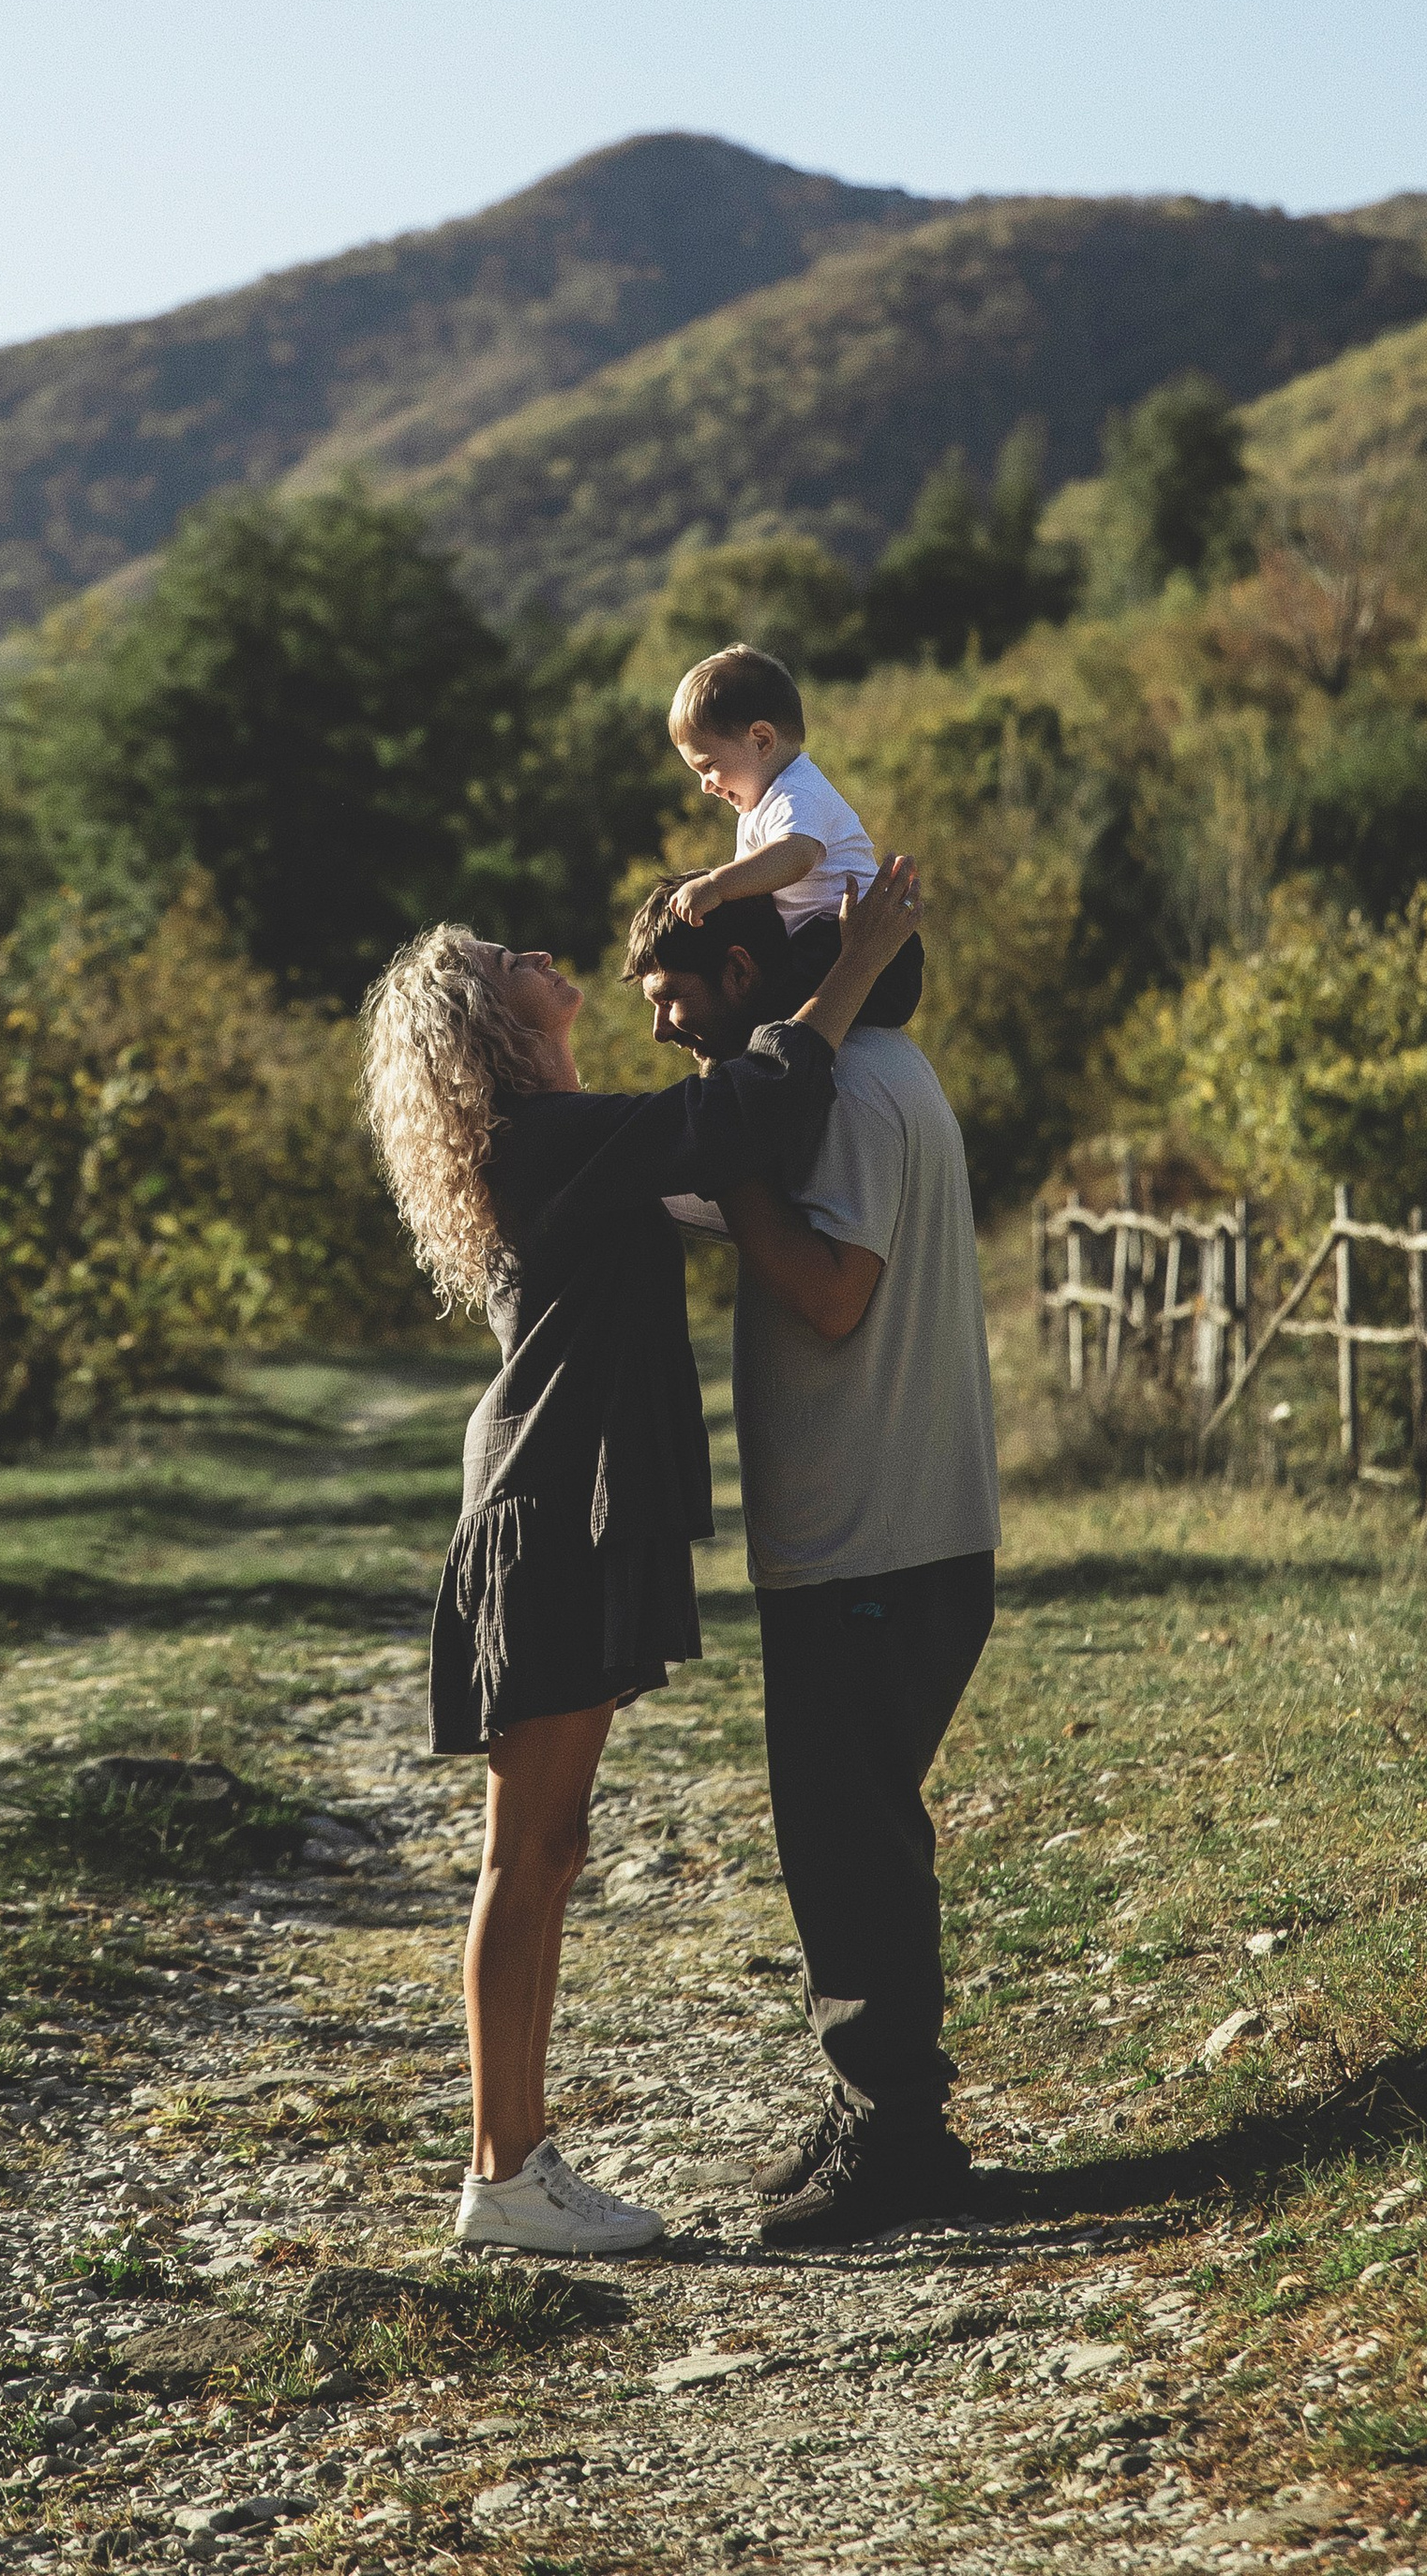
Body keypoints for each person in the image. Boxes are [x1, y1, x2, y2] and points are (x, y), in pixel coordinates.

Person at [357, 859, 924, 2259]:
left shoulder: (557, 1136)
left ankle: (515, 2165)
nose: (541, 954)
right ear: (485, 1025)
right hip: (545, 1511)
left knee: (546, 1850)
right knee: (527, 1856)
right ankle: (504, 2174)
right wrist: (855, 965)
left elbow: (719, 1141)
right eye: (507, 960)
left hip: (553, 1504)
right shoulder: (547, 1139)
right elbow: (743, 1109)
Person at [624, 876, 1000, 2246]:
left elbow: (836, 1293)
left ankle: (895, 2141)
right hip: (885, 1531)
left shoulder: (850, 1089)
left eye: (674, 999)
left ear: (741, 971)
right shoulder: (879, 1071)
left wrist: (730, 1176)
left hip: (874, 1538)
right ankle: (872, 2112)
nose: (662, 1028)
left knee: (850, 1845)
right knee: (846, 1833)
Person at [665, 645, 882, 932]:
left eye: (708, 766)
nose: (705, 786)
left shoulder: (796, 790)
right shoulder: (763, 803)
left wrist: (716, 885)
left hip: (847, 930)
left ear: (761, 741)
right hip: (822, 936)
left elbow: (796, 855)